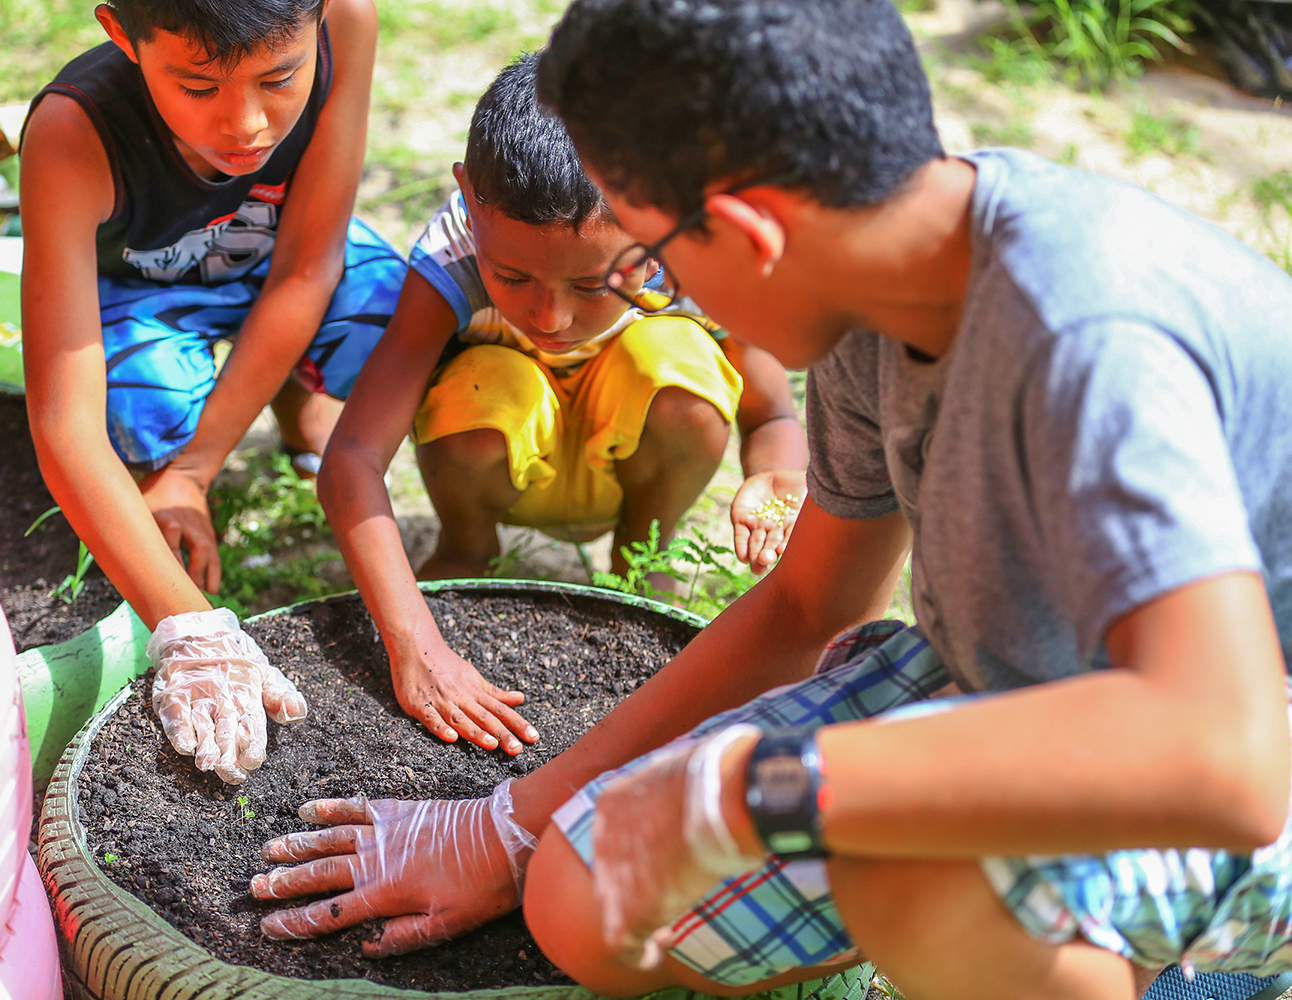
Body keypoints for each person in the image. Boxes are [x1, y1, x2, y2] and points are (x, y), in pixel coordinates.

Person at [242, 1, 1292, 997]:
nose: (656, 295)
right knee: (583, 890)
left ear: (750, 233)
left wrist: (747, 795)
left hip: (1242, 743)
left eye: (651, 259)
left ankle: (1206, 967)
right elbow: (809, 604)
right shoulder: (868, 292)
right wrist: (514, 819)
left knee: (918, 880)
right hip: (1020, 679)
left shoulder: (1086, 338)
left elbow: (1225, 757)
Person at [316, 53, 807, 755]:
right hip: (506, 461)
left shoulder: (696, 252)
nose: (549, 315)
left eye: (592, 283)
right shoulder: (451, 254)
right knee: (485, 379)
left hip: (633, 462)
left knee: (672, 370)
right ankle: (465, 552)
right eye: (511, 276)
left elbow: (776, 415)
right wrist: (413, 641)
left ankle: (643, 562)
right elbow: (353, 460)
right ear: (468, 195)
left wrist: (781, 475)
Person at [19, 0, 406, 783]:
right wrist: (188, 628)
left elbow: (308, 265)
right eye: (198, 87)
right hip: (144, 296)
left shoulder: (347, 22)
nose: (248, 126)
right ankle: (192, 435)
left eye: (281, 78)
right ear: (123, 34)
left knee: (400, 317)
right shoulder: (73, 135)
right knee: (143, 412)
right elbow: (66, 421)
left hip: (279, 262)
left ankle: (299, 405)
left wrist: (194, 473)